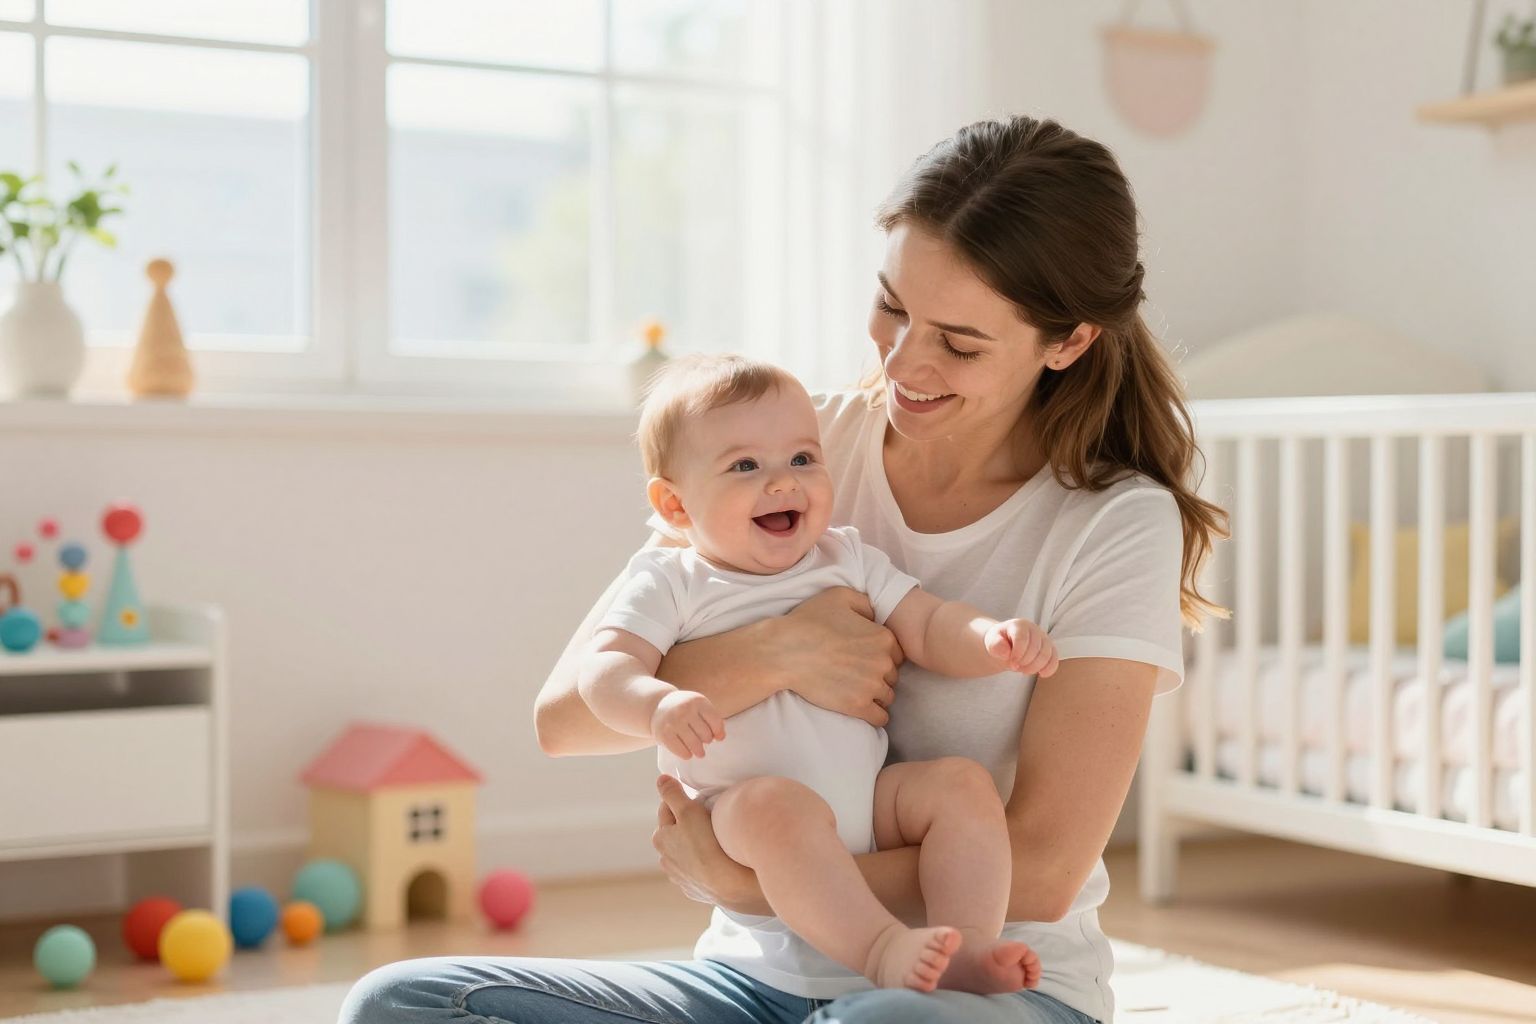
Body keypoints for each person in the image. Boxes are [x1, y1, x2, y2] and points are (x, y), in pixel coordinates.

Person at [339, 114, 1227, 1024]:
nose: (904, 361)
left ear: (1068, 341)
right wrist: (778, 653)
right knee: (405, 1003)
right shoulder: (794, 446)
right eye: (891, 307)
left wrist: (749, 877)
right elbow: (567, 719)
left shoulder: (1113, 522)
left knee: (888, 1021)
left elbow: (1040, 869)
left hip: (987, 988)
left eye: (959, 344)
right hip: (752, 982)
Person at [580, 352, 1052, 994]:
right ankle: (883, 948)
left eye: (802, 459)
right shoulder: (672, 581)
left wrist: (989, 638)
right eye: (745, 465)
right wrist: (656, 704)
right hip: (743, 810)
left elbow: (927, 623)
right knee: (781, 806)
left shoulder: (845, 556)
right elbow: (604, 670)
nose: (783, 483)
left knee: (962, 787)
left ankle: (966, 951)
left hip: (865, 803)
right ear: (675, 504)